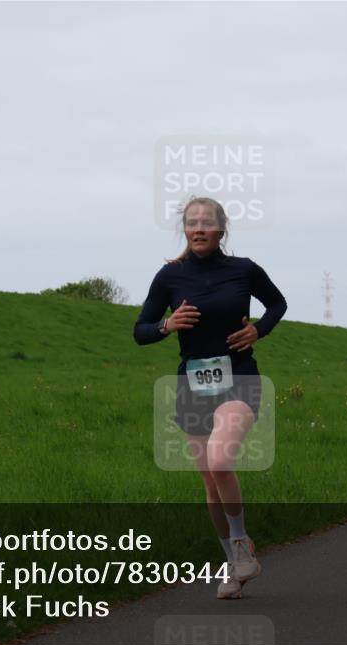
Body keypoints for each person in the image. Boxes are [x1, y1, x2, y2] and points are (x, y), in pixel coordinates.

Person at [134, 196, 288, 596]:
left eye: (206, 223)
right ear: (184, 230)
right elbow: (140, 330)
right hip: (192, 384)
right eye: (191, 223)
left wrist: (259, 330)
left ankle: (241, 542)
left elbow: (277, 303)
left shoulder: (243, 270)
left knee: (221, 460)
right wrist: (166, 325)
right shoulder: (170, 276)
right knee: (209, 482)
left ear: (221, 230)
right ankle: (234, 567)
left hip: (239, 377)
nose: (198, 228)